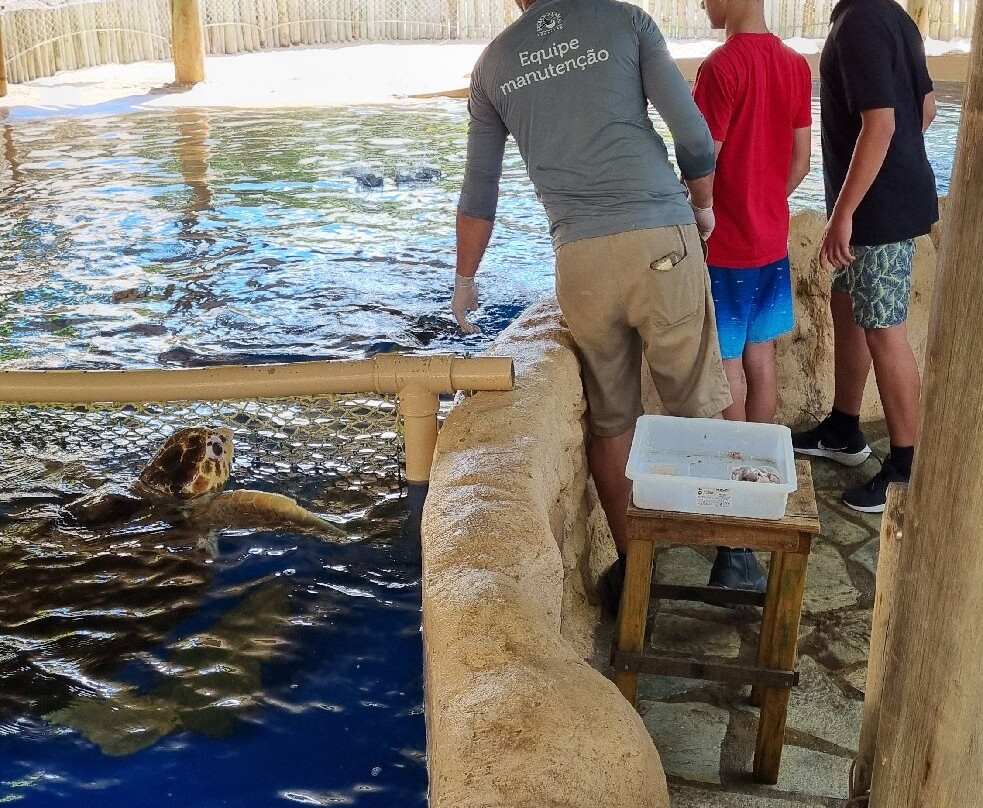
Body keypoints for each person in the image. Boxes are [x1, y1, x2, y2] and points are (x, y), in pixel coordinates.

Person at [451, 0, 734, 603]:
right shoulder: (627, 21)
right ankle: (731, 557)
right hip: (661, 239)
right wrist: (703, 205)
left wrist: (465, 278)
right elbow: (692, 134)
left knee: (611, 419)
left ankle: (635, 571)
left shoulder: (492, 66)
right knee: (697, 398)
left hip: (578, 258)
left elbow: (480, 187)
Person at [792, 0, 937, 513]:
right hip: (884, 200)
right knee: (848, 309)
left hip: (877, 212)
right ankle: (844, 428)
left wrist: (845, 213)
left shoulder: (860, 23)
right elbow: (926, 110)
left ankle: (906, 467)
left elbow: (881, 124)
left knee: (884, 328)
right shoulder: (892, 15)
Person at [692, 0, 812, 589]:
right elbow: (801, 161)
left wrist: (705, 212)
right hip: (772, 241)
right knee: (763, 359)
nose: (703, 4)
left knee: (728, 366)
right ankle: (759, 486)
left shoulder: (720, 69)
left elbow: (702, 161)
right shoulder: (794, 64)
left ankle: (736, 531)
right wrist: (768, 200)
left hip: (727, 250)